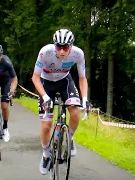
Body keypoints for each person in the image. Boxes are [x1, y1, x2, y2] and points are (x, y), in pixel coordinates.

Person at [31, 28, 91, 175]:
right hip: (46, 83)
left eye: (66, 47)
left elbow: (82, 78)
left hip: (65, 81)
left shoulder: (78, 54)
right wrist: (45, 97)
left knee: (75, 112)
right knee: (46, 125)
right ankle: (46, 154)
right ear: (54, 45)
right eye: (59, 47)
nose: (62, 51)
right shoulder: (45, 52)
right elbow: (35, 77)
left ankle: (69, 140)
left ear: (71, 46)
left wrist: (84, 99)